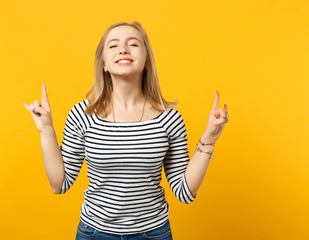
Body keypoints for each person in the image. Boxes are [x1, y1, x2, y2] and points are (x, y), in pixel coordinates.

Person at [23, 21, 229, 240]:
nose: (123, 49)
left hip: (153, 234)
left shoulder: (169, 118)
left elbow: (184, 192)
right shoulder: (83, 114)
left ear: (147, 61)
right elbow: (59, 184)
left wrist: (208, 140)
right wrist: (46, 130)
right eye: (113, 46)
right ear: (103, 64)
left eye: (133, 44)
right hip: (94, 234)